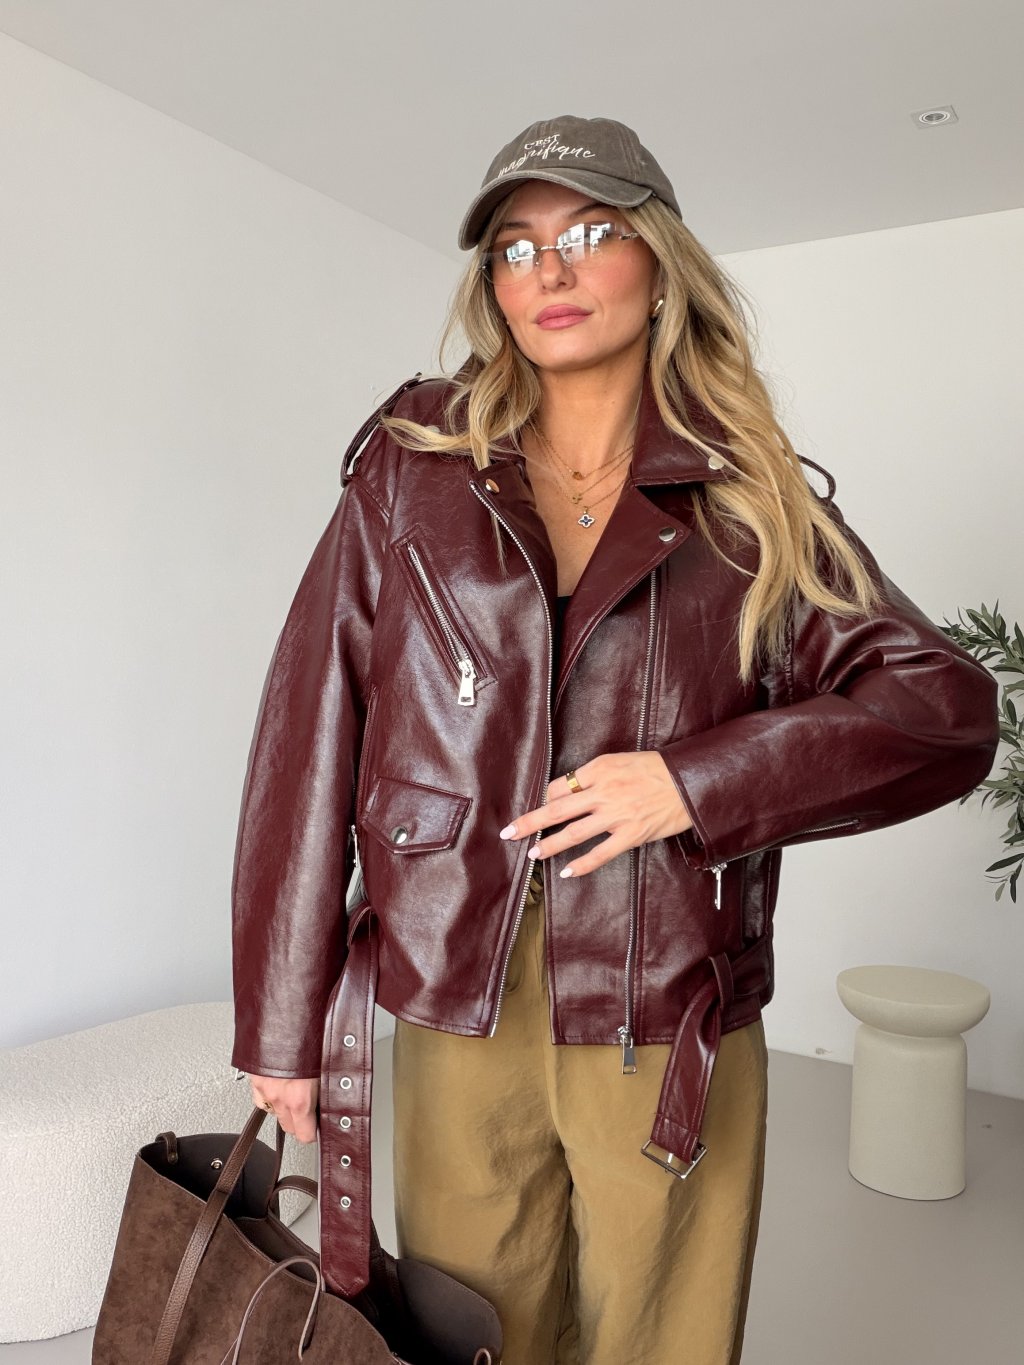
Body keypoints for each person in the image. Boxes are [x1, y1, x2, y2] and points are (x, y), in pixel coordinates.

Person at [231, 115, 998, 1364]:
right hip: (453, 988)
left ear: (658, 264)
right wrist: (282, 1024)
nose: (550, 268)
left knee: (662, 1339)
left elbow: (943, 707)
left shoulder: (749, 499)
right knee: (473, 1330)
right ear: (491, 284)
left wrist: (692, 783)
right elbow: (309, 732)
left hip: (667, 995)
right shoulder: (413, 470)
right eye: (515, 245)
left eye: (591, 233)